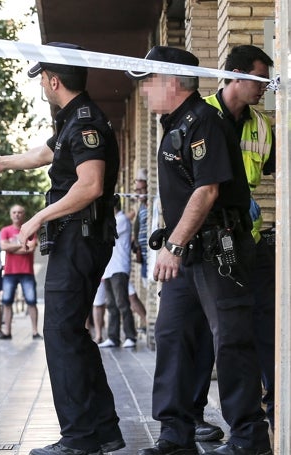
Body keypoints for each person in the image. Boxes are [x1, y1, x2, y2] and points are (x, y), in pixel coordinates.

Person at [0, 41, 124, 455]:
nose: (43, 85)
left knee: (60, 333)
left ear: (53, 79)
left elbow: (90, 184)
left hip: (80, 237)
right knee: (71, 334)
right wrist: (2, 161)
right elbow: (45, 154)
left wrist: (37, 218)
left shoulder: (84, 122)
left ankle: (79, 438)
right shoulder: (71, 121)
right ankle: (105, 430)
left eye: (43, 78)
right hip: (77, 238)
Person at [127, 46, 271, 455]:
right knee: (173, 337)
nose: (143, 92)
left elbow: (207, 190)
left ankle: (248, 436)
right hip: (187, 251)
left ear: (170, 81)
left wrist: (173, 244)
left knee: (231, 341)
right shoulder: (174, 123)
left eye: (148, 82)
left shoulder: (204, 120)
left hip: (216, 250)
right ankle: (175, 435)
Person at [192, 44, 276, 440]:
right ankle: (192, 416)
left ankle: (271, 406)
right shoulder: (200, 113)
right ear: (237, 75)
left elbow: (276, 171)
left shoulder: (261, 126)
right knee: (201, 331)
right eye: (260, 79)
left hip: (249, 240)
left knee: (255, 326)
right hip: (204, 242)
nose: (264, 88)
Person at [0, 204, 42, 340]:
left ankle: (35, 332)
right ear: (11, 214)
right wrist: (22, 245)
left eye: (20, 212)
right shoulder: (5, 230)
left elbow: (31, 248)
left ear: (24, 214)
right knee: (6, 302)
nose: (17, 214)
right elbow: (3, 246)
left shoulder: (30, 230)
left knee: (31, 301)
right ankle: (7, 332)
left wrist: (12, 248)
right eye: (14, 212)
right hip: (10, 272)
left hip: (27, 271)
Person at [98, 200, 138, 348]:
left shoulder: (121, 220)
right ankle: (113, 337)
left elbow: (104, 235)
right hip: (109, 268)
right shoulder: (114, 220)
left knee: (122, 303)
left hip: (119, 267)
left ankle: (130, 336)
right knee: (111, 305)